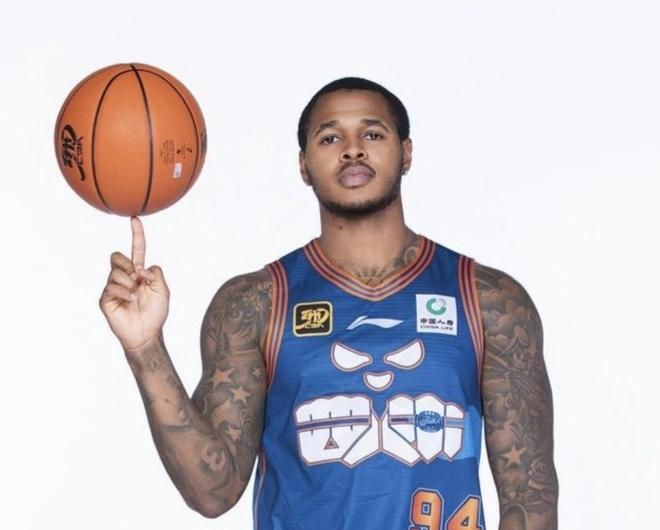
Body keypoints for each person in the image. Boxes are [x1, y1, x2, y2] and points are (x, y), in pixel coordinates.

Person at [99, 77, 558, 529]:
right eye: (330, 137)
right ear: (303, 164)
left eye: (372, 134)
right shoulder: (255, 304)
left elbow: (530, 498)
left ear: (406, 152)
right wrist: (145, 347)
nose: (352, 149)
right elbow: (212, 491)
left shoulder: (486, 299)